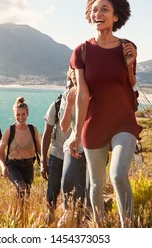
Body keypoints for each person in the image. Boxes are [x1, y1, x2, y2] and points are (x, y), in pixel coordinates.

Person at [68, 0, 143, 227]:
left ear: (115, 16)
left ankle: (128, 231)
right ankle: (100, 230)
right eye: (94, 10)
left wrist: (130, 65)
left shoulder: (127, 47)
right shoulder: (82, 52)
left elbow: (130, 85)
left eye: (104, 9)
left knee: (119, 175)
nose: (98, 13)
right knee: (97, 185)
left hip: (123, 120)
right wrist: (75, 133)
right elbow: (82, 95)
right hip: (95, 124)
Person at [57, 67, 91, 227]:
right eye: (74, 80)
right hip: (73, 143)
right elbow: (63, 127)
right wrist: (70, 104)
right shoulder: (67, 95)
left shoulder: (94, 92)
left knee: (82, 193)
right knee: (67, 179)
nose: (76, 83)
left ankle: (80, 225)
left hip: (93, 146)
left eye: (79, 79)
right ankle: (66, 209)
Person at [41, 77, 73, 225]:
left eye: (74, 84)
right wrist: (43, 160)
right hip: (57, 153)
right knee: (52, 190)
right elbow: (46, 133)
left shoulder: (83, 103)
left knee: (71, 188)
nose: (71, 87)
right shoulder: (57, 105)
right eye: (69, 84)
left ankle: (71, 217)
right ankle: (50, 216)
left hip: (74, 154)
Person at [0, 96, 41, 199]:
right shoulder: (9, 131)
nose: (20, 117)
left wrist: (44, 161)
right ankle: (18, 213)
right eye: (18, 114)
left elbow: (39, 148)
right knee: (21, 187)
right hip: (13, 166)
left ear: (27, 114)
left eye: (23, 114)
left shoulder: (33, 129)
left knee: (26, 195)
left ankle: (20, 213)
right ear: (14, 115)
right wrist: (3, 166)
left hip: (29, 165)